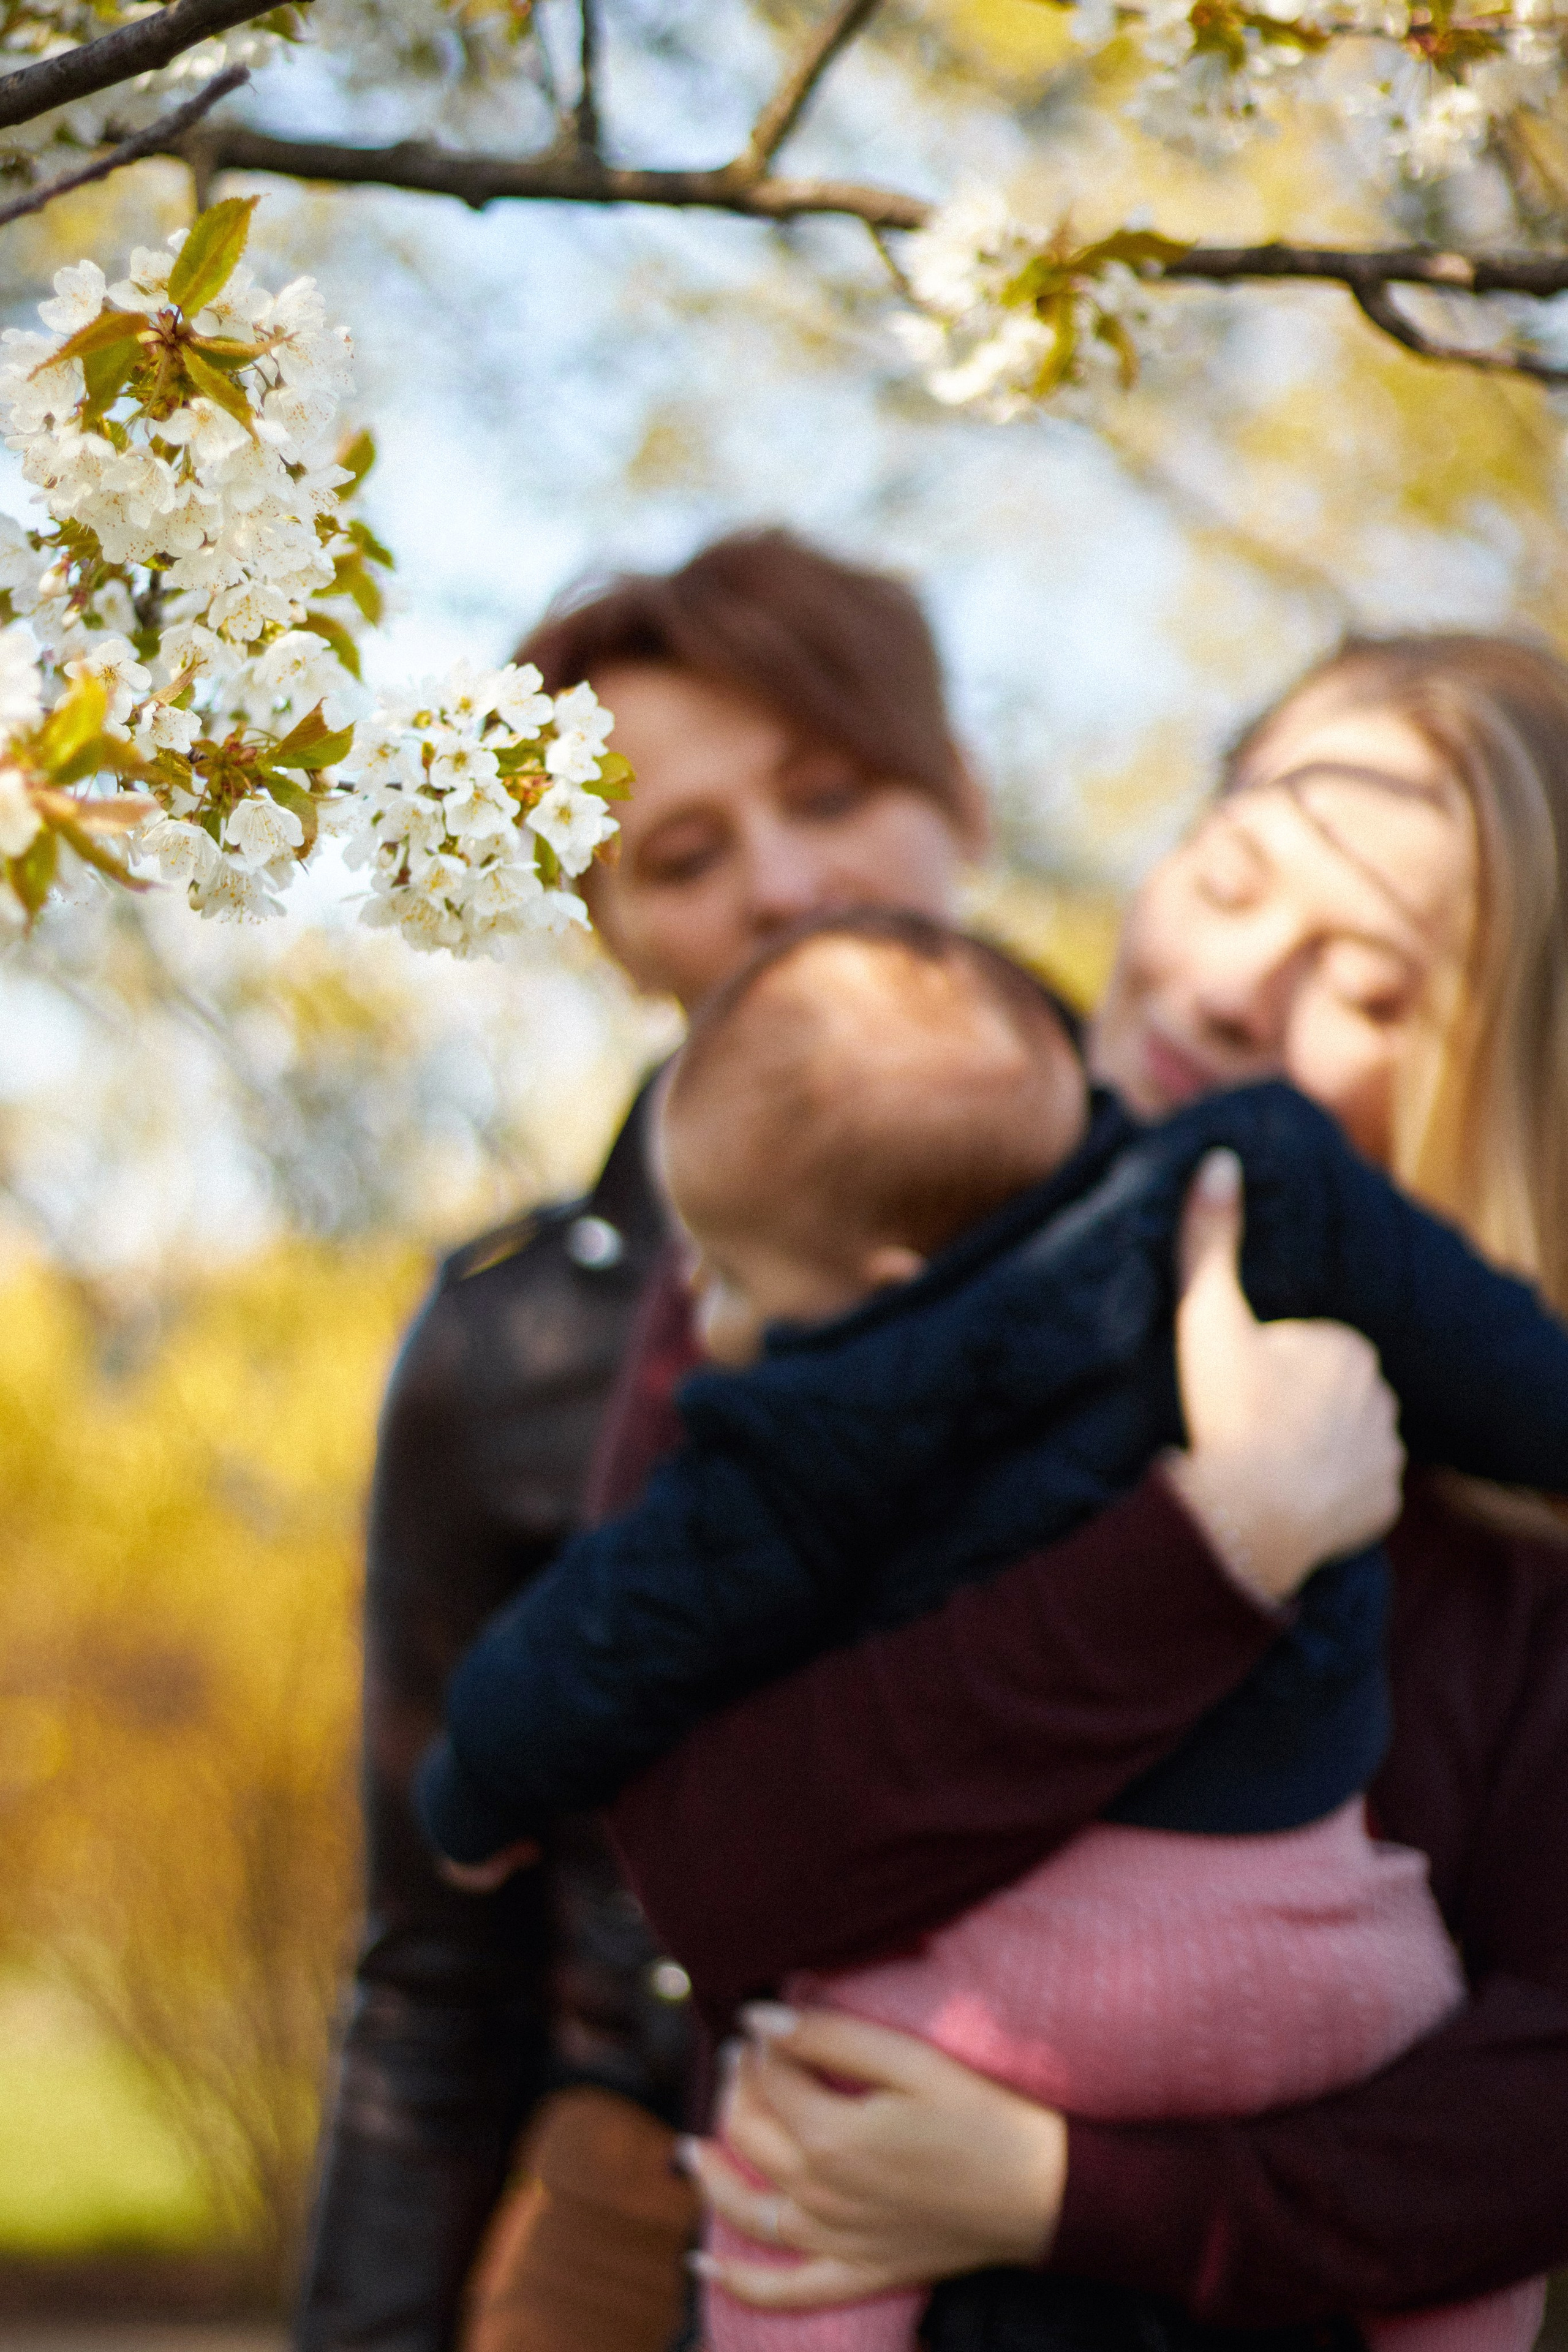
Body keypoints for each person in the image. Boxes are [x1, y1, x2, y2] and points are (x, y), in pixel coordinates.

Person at [584, 636, 1568, 2346]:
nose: (1230, 988)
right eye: (1232, 880)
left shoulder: (1516, 1520)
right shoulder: (837, 1263)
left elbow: (1536, 2100)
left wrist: (1060, 2189)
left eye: (1371, 985)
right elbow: (706, 1859)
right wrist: (1222, 1549)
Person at [293, 527, 990, 2352]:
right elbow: (433, 1973)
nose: (785, 885)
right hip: (647, 2214)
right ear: (611, 937)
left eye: (830, 794)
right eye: (682, 857)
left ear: (961, 793)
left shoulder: (1222, 1210)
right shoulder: (512, 1345)